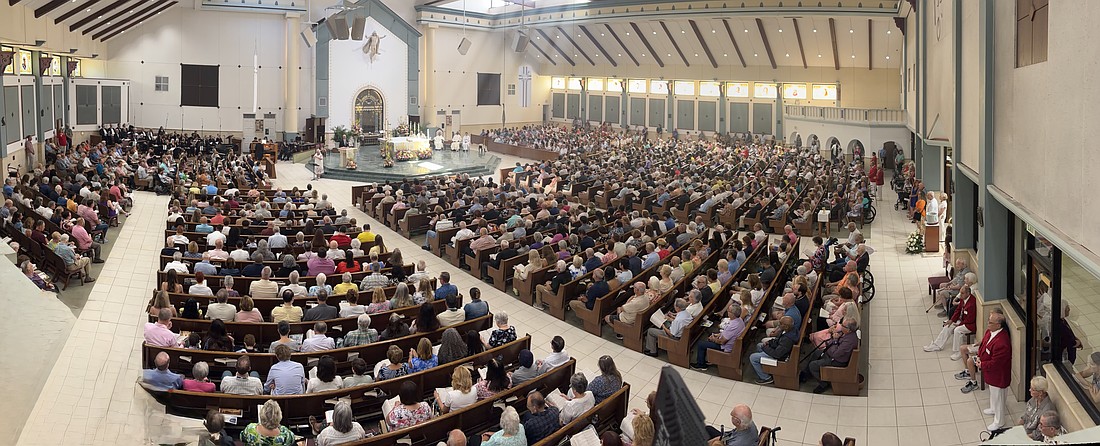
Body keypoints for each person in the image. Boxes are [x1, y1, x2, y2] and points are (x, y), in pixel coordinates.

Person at [957, 311, 1011, 431]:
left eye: (990, 322)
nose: (988, 324)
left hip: (999, 375)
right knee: (993, 394)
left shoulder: (1002, 342)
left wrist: (982, 364)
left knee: (999, 398)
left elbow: (997, 363)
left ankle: (999, 421)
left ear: (998, 325)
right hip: (990, 372)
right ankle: (993, 408)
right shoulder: (990, 332)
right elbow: (984, 345)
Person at [805, 318, 859, 394]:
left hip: (837, 361)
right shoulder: (846, 333)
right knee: (816, 353)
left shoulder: (849, 341)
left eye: (843, 326)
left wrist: (835, 340)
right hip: (832, 354)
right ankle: (807, 374)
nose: (841, 326)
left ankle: (824, 384)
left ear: (849, 330)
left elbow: (835, 354)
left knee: (813, 365)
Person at [923, 285, 976, 355]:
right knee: (947, 326)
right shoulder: (963, 298)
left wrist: (959, 325)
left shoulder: (972, 303)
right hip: (962, 321)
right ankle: (937, 345)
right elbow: (958, 310)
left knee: (957, 330)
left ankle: (958, 352)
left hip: (969, 324)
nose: (960, 295)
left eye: (962, 293)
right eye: (960, 293)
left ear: (968, 293)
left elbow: (970, 319)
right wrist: (951, 320)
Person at [691, 304, 745, 370]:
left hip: (726, 347)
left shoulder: (732, 326)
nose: (727, 311)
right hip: (731, 342)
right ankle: (711, 358)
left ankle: (701, 365)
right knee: (710, 336)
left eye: (728, 310)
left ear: (732, 314)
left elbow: (722, 342)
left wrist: (713, 339)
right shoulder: (740, 320)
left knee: (701, 344)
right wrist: (718, 335)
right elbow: (728, 334)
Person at [749, 316, 796, 385]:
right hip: (778, 349)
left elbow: (777, 354)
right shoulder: (788, 330)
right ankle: (764, 367)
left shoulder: (787, 339)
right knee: (759, 345)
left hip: (780, 357)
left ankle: (766, 378)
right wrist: (769, 342)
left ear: (785, 326)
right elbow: (778, 341)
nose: (779, 325)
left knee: (753, 357)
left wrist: (766, 348)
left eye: (781, 323)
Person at [1019, 376, 1055, 441]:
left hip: (1032, 438)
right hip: (1025, 430)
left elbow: (1038, 433)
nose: (1029, 390)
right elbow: (1025, 416)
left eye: (1032, 389)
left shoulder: (1047, 411)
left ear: (1040, 393)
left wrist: (1022, 438)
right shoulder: (1033, 400)